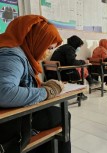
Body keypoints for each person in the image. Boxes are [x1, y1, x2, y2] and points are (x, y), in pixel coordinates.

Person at [0, 15, 71, 153]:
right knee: (63, 114)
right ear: (36, 39)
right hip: (10, 122)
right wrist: (47, 92)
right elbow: (4, 93)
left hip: (11, 116)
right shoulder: (12, 55)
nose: (48, 53)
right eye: (48, 47)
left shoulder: (14, 49)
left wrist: (42, 85)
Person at [48, 35, 100, 99]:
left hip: (53, 73)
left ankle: (90, 81)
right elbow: (72, 62)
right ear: (76, 44)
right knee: (81, 68)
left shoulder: (63, 47)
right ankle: (86, 86)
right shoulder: (70, 49)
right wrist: (84, 61)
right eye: (79, 46)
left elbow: (70, 62)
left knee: (80, 68)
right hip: (61, 74)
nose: (79, 48)